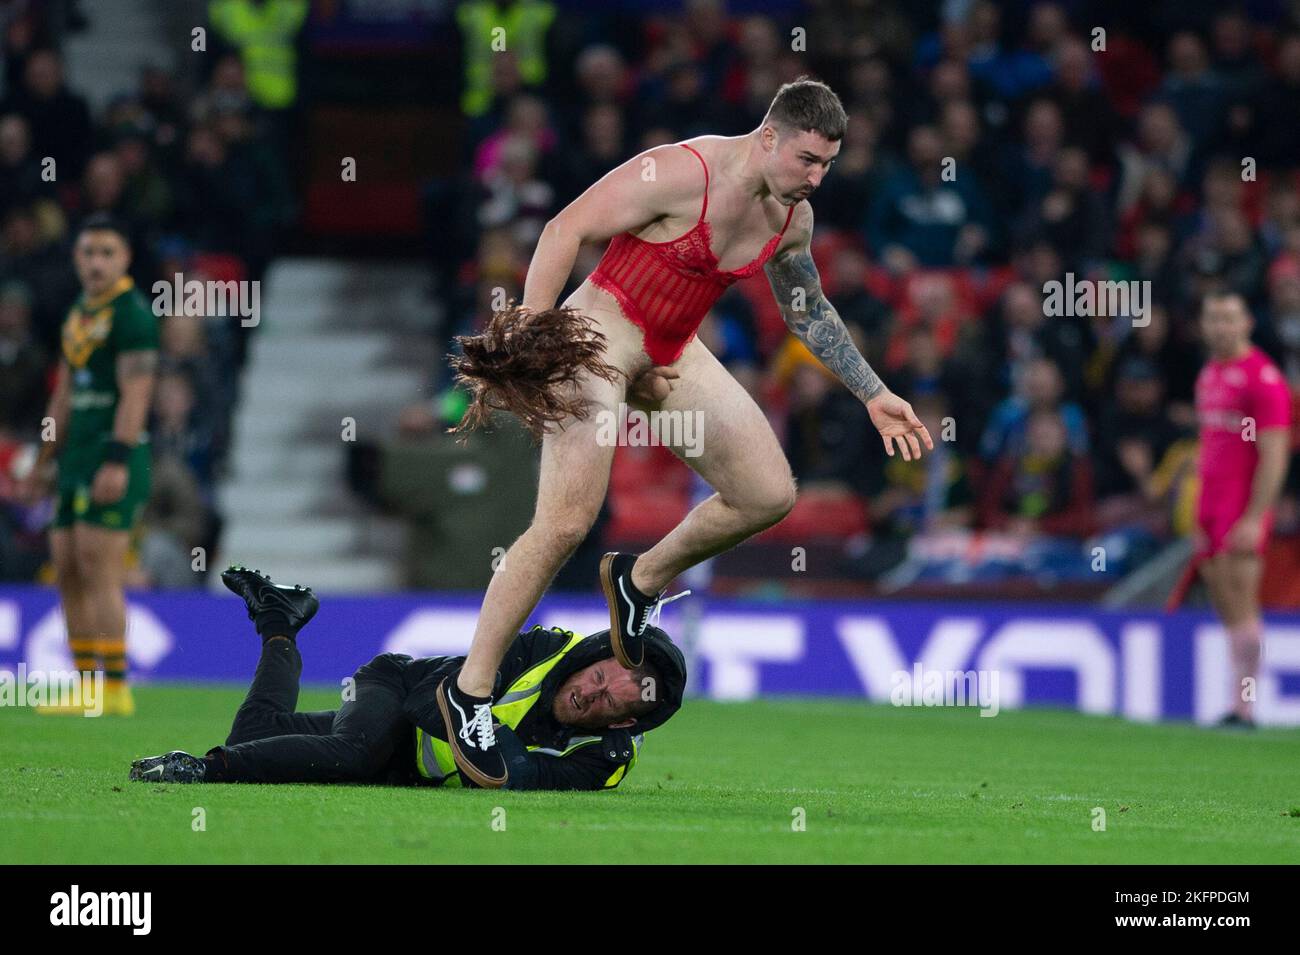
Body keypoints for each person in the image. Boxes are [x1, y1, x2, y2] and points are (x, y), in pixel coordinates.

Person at [444, 77, 932, 787]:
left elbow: (806, 309)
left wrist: (875, 392)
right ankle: (471, 690)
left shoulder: (792, 217)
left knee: (767, 492)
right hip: (596, 339)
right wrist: (534, 330)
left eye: (827, 164)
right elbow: (564, 229)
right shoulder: (680, 170)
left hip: (672, 354)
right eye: (806, 159)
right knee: (565, 522)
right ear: (768, 137)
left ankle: (640, 581)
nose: (816, 178)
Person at [130, 566, 685, 789]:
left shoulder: (611, 760)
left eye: (615, 698)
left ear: (629, 719)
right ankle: (201, 768)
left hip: (416, 759)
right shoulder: (539, 648)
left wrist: (499, 754)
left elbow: (528, 779)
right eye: (604, 672)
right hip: (398, 689)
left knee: (258, 734)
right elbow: (431, 702)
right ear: (597, 652)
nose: (594, 691)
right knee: (357, 753)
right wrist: (498, 752)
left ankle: (279, 618)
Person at [21, 214, 158, 716]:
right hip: (74, 456)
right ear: (76, 258)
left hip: (111, 452)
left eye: (107, 252)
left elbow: (137, 391)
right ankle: (85, 684)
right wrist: (41, 460)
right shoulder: (79, 311)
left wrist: (118, 459)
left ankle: (116, 686)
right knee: (68, 568)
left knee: (101, 569)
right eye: (88, 252)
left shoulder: (132, 313)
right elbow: (63, 394)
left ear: (125, 259)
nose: (96, 262)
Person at [1185, 291, 1292, 728]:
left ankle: (1245, 707)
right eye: (1213, 318)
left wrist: (1254, 517)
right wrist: (1196, 511)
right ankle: (1236, 701)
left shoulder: (1262, 379)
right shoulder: (1209, 374)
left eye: (1229, 318)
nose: (1220, 327)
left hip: (1241, 505)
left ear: (1247, 322)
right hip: (1210, 504)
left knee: (1243, 604)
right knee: (1225, 606)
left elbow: (1275, 453)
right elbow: (1208, 447)